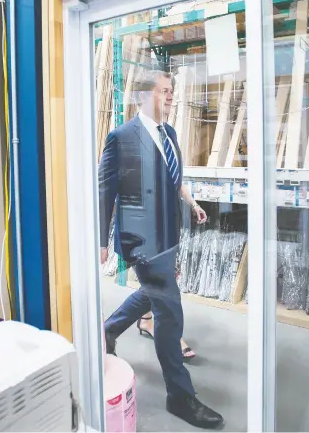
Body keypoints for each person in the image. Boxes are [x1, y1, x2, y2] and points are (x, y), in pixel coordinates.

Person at [99, 69, 224, 429]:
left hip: (169, 234)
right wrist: (102, 242)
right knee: (169, 311)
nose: (170, 97)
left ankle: (110, 329)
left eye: (171, 91)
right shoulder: (121, 137)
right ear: (144, 96)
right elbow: (106, 190)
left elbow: (174, 178)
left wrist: (192, 202)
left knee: (155, 294)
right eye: (163, 91)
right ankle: (180, 396)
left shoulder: (169, 134)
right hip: (142, 240)